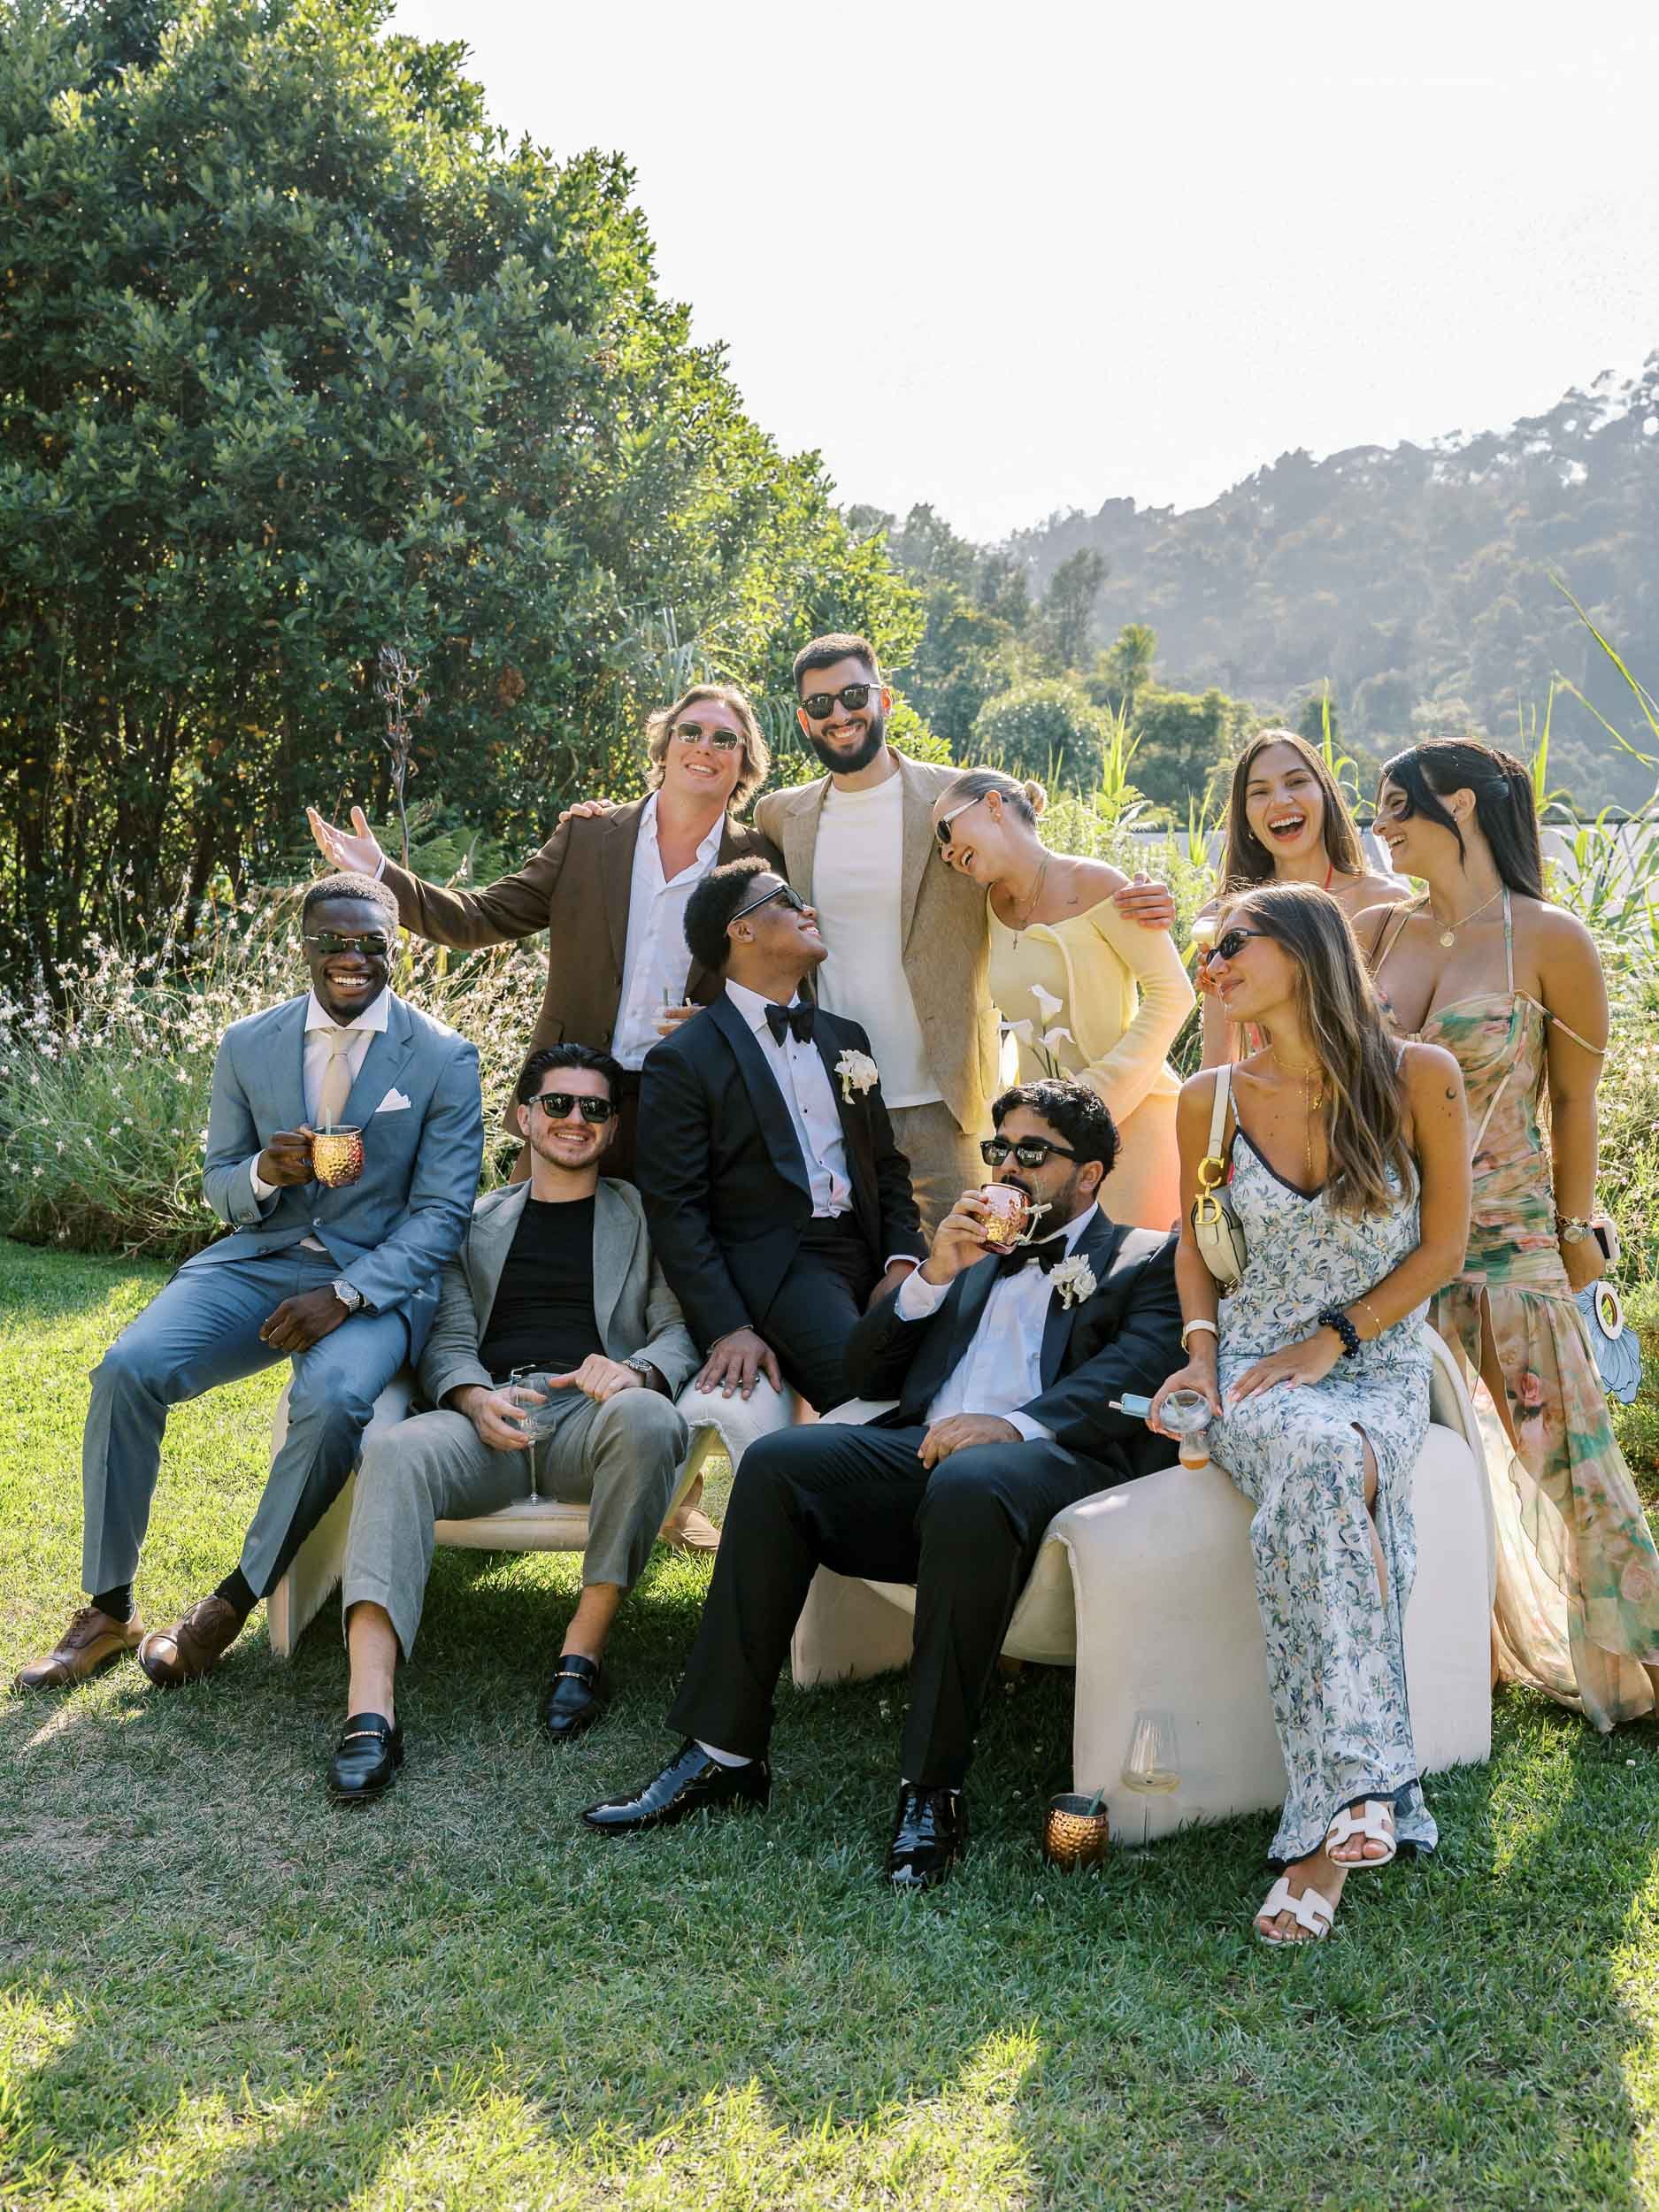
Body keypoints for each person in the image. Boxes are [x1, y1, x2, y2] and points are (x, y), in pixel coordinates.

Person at [580, 1079, 1183, 1891]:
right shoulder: (967, 1256)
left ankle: (931, 1790)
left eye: (1031, 1152)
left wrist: (1014, 1425)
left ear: (1090, 1174)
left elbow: (1136, 1370)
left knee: (972, 1477)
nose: (1006, 1166)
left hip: (1049, 1471)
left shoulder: (1142, 1257)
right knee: (778, 1464)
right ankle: (722, 1753)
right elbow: (859, 1372)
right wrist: (932, 1274)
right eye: (996, 1149)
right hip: (920, 1457)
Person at [15, 873, 484, 1694]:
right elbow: (218, 1183)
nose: (353, 957)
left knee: (335, 1402)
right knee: (128, 1368)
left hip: (372, 1286)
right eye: (334, 941)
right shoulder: (247, 1044)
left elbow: (443, 1216)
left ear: (395, 948)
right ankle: (109, 1607)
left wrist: (344, 1295)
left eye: (372, 942)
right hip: (258, 1258)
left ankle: (230, 1602)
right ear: (302, 946)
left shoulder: (442, 1056)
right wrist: (264, 1172)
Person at [1149, 881, 1469, 1943]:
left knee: (1334, 1462)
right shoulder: (1208, 1098)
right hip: (1252, 1368)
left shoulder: (1420, 1075)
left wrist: (1335, 1338)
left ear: (1308, 947)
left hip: (1372, 1356)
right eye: (1209, 949)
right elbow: (1195, 1252)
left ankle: (1324, 1828)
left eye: (1234, 942)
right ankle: (1363, 1797)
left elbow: (1444, 1251)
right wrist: (1201, 1361)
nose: (1216, 961)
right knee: (1327, 1463)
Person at [1365, 738, 1659, 1729]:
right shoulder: (1375, 934)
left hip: (1509, 1235)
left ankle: (1641, 1663)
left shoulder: (1550, 938)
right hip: (1392, 1244)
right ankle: (1455, 1659)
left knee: (1570, 1459)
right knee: (1424, 1457)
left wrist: (1578, 1231)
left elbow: (1574, 1102)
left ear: (1460, 803)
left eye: (1397, 804)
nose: (1381, 824)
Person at [325, 1043, 700, 1802]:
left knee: (650, 1419)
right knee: (395, 1453)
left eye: (594, 1109)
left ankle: (581, 1653)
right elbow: (448, 1339)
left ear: (611, 1129)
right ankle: (370, 1708)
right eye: (557, 1104)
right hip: (490, 1417)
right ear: (524, 1117)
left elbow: (678, 1329)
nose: (574, 1120)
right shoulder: (471, 1222)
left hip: (591, 1419)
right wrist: (469, 1397)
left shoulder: (643, 1216)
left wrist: (631, 1371)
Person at [751, 634, 1178, 1231]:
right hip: (838, 1094)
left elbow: (1036, 868)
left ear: (885, 699)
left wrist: (1145, 896)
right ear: (803, 719)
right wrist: (598, 827)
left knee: (977, 1266)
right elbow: (733, 890)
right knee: (863, 1266)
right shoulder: (780, 813)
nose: (839, 714)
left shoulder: (951, 802)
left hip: (949, 1097)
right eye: (820, 705)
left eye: (853, 695)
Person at [304, 683, 780, 1186]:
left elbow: (781, 988)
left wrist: (717, 1026)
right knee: (533, 1254)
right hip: (567, 1099)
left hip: (685, 1105)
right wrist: (381, 872)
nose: (705, 746)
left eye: (725, 739)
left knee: (660, 1264)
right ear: (664, 748)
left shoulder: (758, 867)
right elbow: (477, 918)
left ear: (744, 763)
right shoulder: (588, 835)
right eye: (691, 731)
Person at [634, 857, 926, 1415]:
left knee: (961, 1364)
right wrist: (727, 1327)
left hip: (873, 1256)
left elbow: (886, 1168)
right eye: (788, 900)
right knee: (878, 1397)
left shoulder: (845, 1038)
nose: (807, 909)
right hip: (786, 1269)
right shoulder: (684, 1060)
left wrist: (902, 1265)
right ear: (741, 930)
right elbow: (676, 1209)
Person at [932, 767, 1194, 1231]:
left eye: (946, 829)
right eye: (941, 849)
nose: (948, 852)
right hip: (1046, 1143)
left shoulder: (1096, 882)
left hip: (1135, 1122)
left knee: (1128, 1280)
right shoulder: (988, 908)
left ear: (993, 805)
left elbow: (1173, 993)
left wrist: (1092, 1099)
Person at [1196, 728, 1409, 1066]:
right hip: (1267, 1114)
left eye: (1295, 782)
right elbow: (1219, 1062)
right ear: (1246, 815)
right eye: (1260, 792)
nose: (1280, 801)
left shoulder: (1387, 905)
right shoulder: (1223, 917)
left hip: (1368, 1108)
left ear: (1325, 793)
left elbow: (1406, 1047)